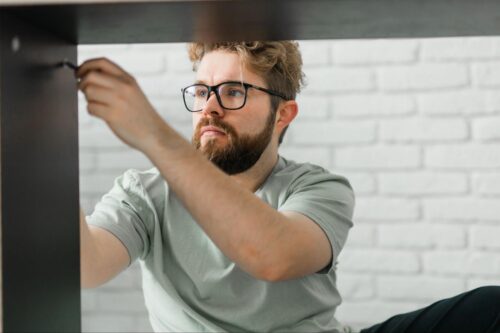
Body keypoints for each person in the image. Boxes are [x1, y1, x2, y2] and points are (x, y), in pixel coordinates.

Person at [77, 41, 500, 333]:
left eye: (233, 92)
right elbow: (87, 265)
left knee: (490, 306)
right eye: (202, 91)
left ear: (283, 115)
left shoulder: (318, 189)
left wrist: (155, 136)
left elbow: (272, 255)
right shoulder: (145, 193)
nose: (209, 108)